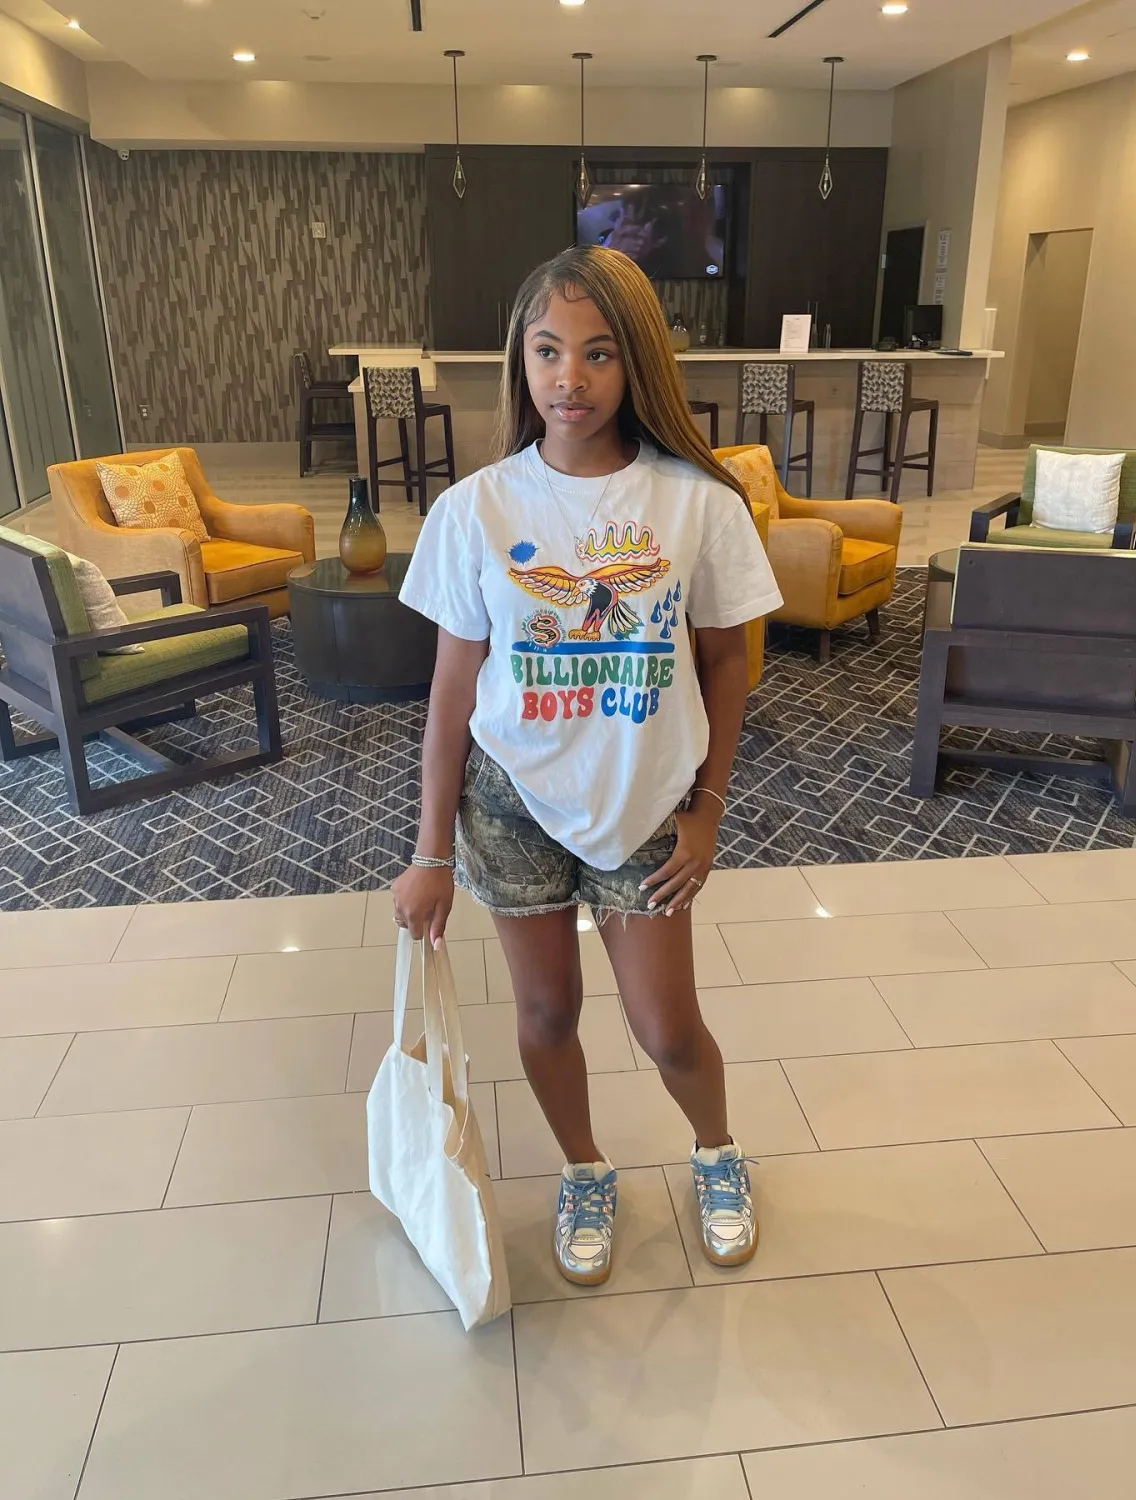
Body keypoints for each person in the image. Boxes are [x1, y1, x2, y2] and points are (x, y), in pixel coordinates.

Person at [391, 245, 782, 1287]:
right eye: (548, 350)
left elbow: (728, 663)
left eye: (599, 353)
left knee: (667, 1027)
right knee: (545, 1015)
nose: (570, 378)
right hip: (509, 801)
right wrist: (429, 852)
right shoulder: (475, 510)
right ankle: (585, 1169)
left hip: (647, 803)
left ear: (636, 361)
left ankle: (717, 1150)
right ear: (519, 362)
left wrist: (707, 810)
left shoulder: (697, 504)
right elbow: (451, 692)